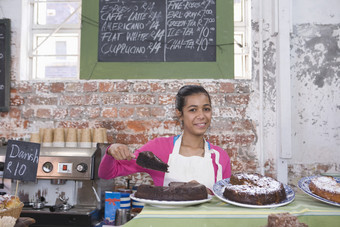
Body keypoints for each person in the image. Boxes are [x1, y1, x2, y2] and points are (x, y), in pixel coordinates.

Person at [98, 85, 231, 192]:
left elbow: (225, 201)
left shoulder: (220, 157)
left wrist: (204, 192)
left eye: (206, 109)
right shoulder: (159, 148)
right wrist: (111, 151)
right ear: (179, 114)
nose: (201, 115)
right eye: (193, 110)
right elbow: (106, 174)